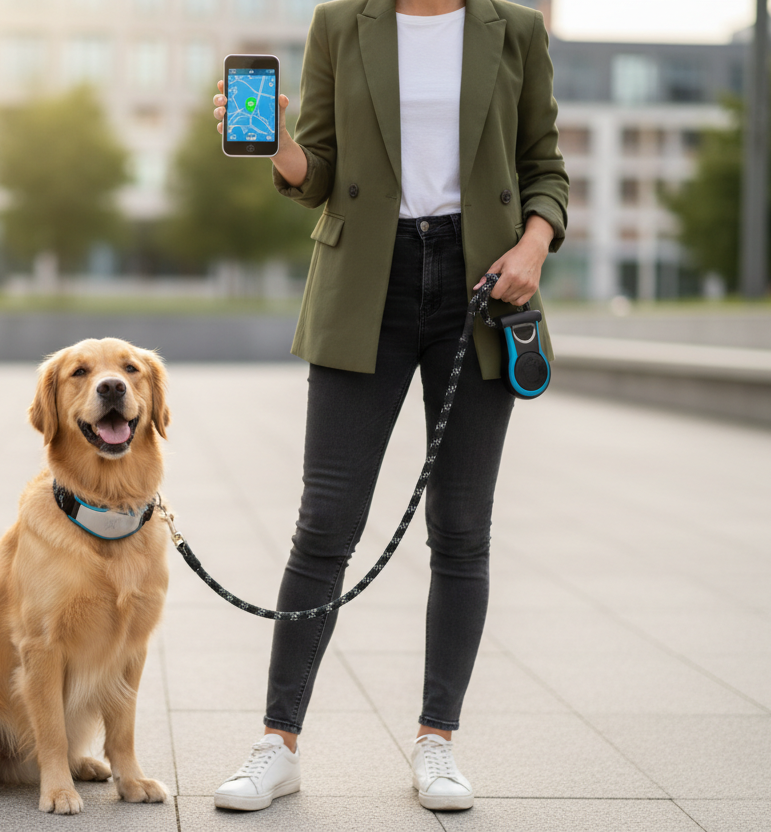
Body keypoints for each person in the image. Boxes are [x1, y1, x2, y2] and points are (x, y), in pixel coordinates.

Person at [208, 0, 569, 814]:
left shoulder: (513, 28)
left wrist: (534, 245)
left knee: (462, 529)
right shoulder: (342, 22)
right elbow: (322, 174)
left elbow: (545, 167)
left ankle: (437, 743)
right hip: (365, 282)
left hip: (481, 286)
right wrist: (283, 149)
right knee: (326, 523)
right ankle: (279, 743)